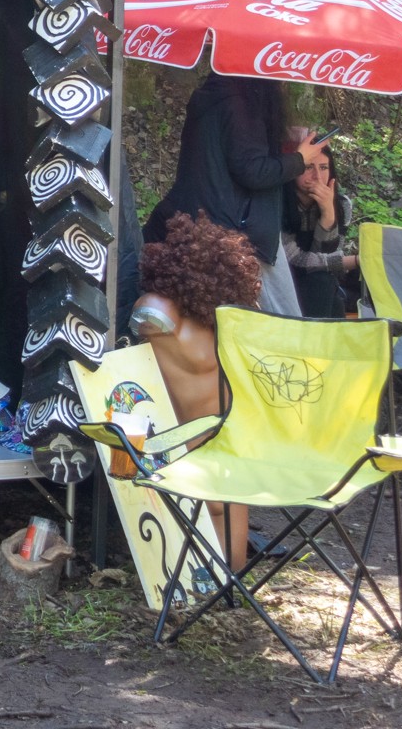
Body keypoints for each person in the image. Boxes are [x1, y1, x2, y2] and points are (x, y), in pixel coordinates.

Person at [131, 211, 264, 571]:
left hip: (177, 453)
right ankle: (227, 588)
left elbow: (140, 322)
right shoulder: (236, 326)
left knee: (187, 568)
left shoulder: (160, 315)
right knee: (230, 569)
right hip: (230, 456)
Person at [144, 73, 327, 316]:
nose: (283, 86)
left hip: (201, 222)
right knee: (285, 321)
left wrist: (280, 145)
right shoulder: (242, 102)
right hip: (239, 231)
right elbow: (252, 170)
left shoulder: (215, 95)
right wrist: (299, 159)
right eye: (280, 79)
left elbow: (233, 155)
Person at [281, 126, 358, 320]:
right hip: (285, 281)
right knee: (323, 283)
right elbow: (296, 260)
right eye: (308, 167)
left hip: (321, 282)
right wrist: (356, 261)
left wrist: (328, 214)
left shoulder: (342, 204)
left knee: (327, 286)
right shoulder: (278, 202)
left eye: (323, 168)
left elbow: (326, 259)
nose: (317, 176)